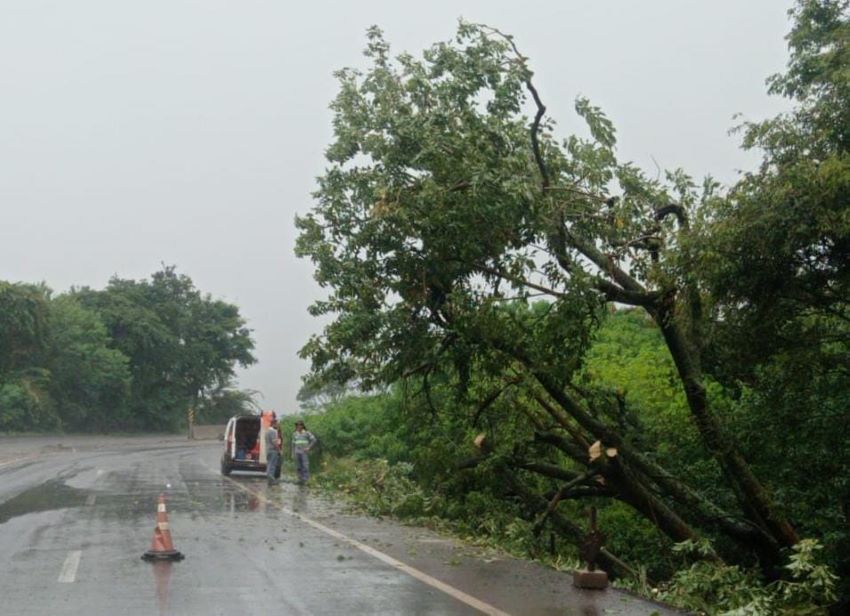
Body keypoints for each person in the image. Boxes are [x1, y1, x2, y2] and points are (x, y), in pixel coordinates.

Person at [291, 420, 316, 485]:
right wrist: (292, 453)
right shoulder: (294, 434)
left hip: (304, 452)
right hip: (297, 452)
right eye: (297, 425)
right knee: (298, 467)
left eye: (299, 425)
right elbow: (293, 444)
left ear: (302, 426)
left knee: (305, 466)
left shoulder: (307, 433)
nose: (298, 426)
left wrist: (309, 447)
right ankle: (300, 479)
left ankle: (306, 480)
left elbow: (314, 440)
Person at [265, 418, 282, 486]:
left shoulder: (267, 431)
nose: (278, 425)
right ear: (274, 424)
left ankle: (270, 480)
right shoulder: (273, 431)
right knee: (272, 466)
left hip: (268, 450)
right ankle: (271, 480)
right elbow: (275, 442)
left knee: (269, 464)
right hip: (273, 451)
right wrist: (279, 450)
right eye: (277, 424)